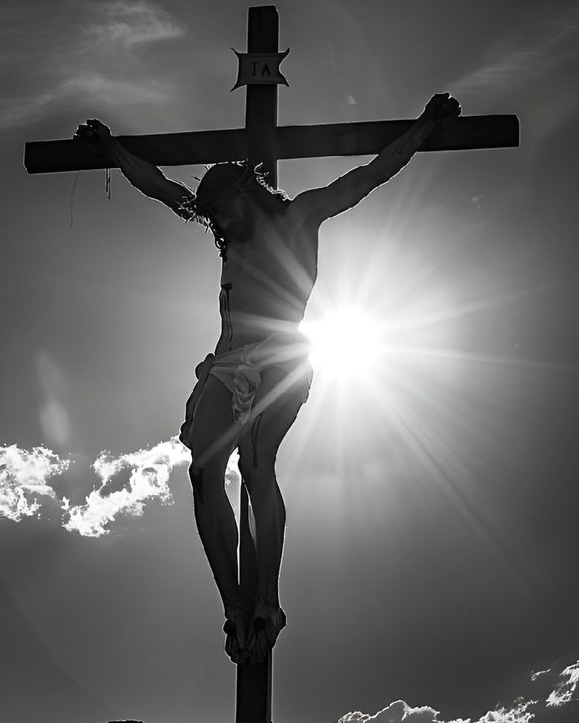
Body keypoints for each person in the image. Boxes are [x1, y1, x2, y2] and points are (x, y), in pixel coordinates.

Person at [74, 92, 461, 665]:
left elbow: (368, 176)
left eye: (229, 208)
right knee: (204, 471)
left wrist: (425, 126)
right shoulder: (226, 229)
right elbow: (161, 189)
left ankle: (268, 600)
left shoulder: (300, 216)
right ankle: (233, 605)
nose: (222, 223)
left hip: (280, 357)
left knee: (256, 464)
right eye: (217, 215)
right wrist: (111, 149)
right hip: (225, 364)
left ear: (249, 193)